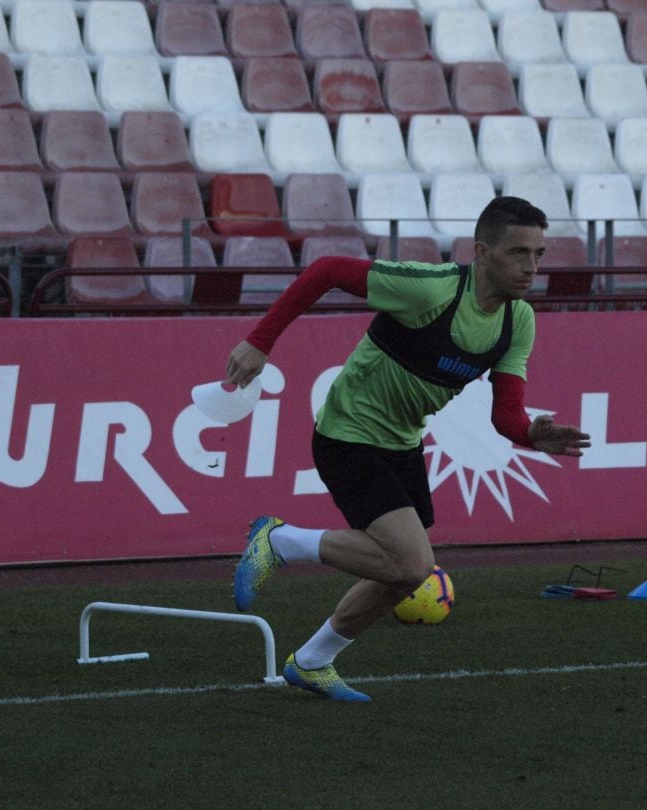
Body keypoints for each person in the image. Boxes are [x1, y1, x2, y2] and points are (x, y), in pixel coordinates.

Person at [224, 196, 591, 702]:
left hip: (402, 442)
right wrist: (260, 342)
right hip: (347, 433)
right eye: (518, 253)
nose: (532, 267)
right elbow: (328, 270)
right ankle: (281, 541)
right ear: (482, 252)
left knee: (398, 573)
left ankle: (312, 660)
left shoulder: (517, 321)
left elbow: (505, 416)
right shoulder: (431, 289)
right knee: (415, 565)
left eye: (540, 254)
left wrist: (530, 434)